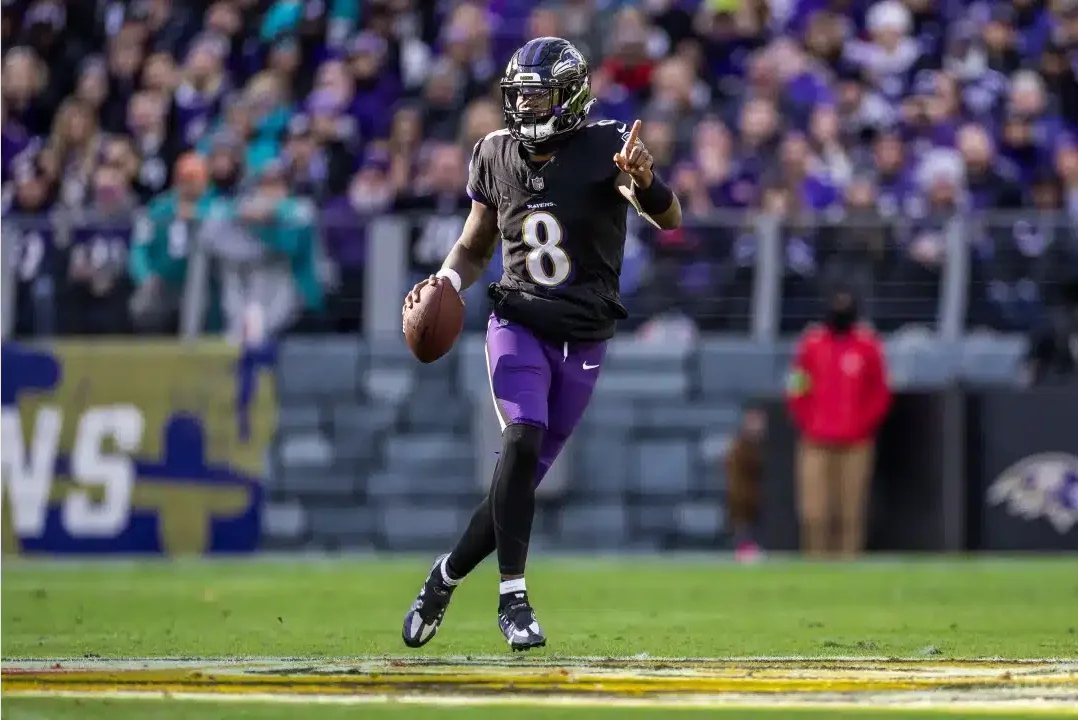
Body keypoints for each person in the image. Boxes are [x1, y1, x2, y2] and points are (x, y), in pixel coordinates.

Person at [399, 37, 681, 651]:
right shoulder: (495, 153)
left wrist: (647, 182)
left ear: (572, 97)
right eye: (518, 97)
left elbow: (670, 217)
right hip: (518, 320)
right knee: (521, 436)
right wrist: (446, 280)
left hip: (583, 335)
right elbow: (475, 245)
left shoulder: (609, 147)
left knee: (515, 483)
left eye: (538, 96)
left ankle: (443, 579)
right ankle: (514, 598)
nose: (525, 109)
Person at [786, 289, 891, 559]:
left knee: (851, 510)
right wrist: (809, 422)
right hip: (816, 441)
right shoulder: (811, 345)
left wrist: (862, 425)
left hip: (855, 443)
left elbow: (879, 393)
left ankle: (849, 561)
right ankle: (815, 560)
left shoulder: (868, 347)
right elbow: (797, 385)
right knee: (814, 510)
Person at [725, 405, 766, 564]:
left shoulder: (760, 447)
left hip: (754, 497)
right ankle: (744, 549)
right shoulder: (739, 447)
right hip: (742, 497)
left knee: (752, 522)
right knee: (742, 522)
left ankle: (750, 547)